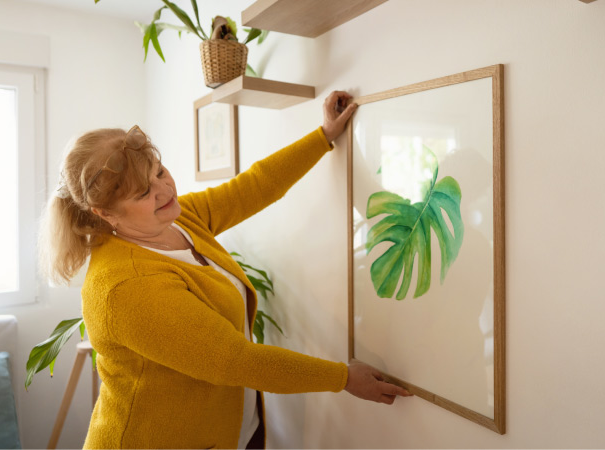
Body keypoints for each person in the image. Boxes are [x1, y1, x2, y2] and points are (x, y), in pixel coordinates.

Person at [40, 91, 411, 449]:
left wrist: (324, 136)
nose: (164, 188)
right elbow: (234, 360)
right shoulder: (125, 285)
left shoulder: (176, 219)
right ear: (104, 213)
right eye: (142, 192)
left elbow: (252, 187)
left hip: (227, 429)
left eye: (160, 171)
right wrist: (343, 378)